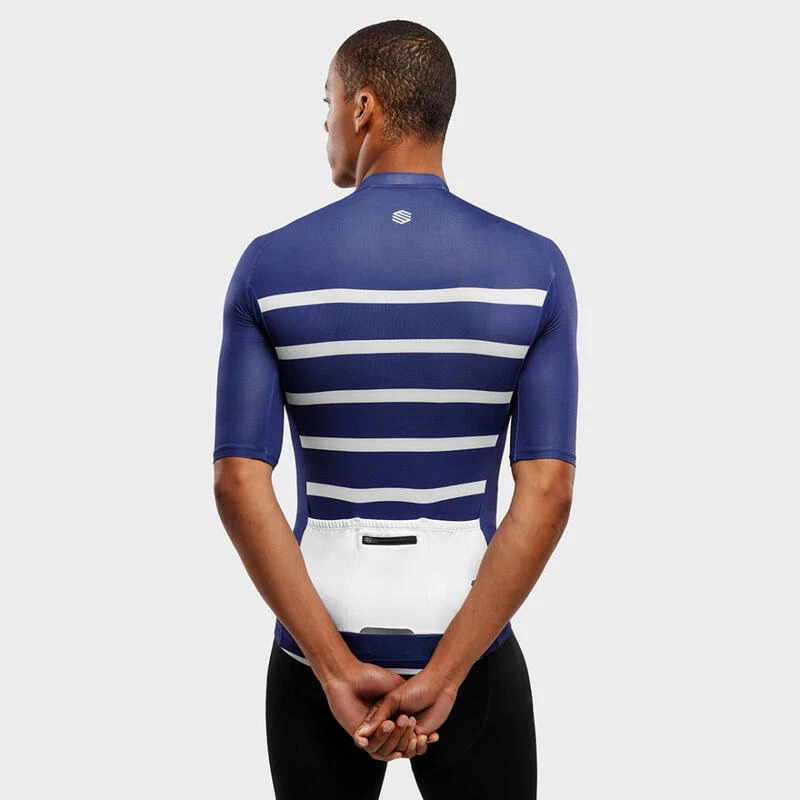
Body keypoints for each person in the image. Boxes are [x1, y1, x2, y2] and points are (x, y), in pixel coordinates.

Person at [213, 19, 578, 800]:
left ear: (364, 108)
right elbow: (548, 490)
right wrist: (447, 674)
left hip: (317, 649)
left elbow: (237, 481)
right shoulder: (535, 268)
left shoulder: (269, 266)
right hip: (470, 645)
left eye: (328, 102)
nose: (325, 124)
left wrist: (335, 669)